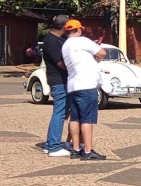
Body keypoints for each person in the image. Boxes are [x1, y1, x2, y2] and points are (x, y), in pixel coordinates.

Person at [61, 19, 107, 160]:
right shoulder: (83, 41)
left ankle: (75, 149)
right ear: (79, 30)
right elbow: (102, 53)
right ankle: (87, 150)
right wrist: (95, 57)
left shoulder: (65, 46)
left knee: (75, 118)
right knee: (87, 119)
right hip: (87, 84)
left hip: (73, 85)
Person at [42, 15, 73, 157]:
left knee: (61, 112)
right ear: (64, 27)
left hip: (62, 80)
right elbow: (61, 63)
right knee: (59, 113)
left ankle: (50, 144)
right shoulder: (51, 41)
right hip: (58, 81)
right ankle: (54, 147)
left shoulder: (60, 39)